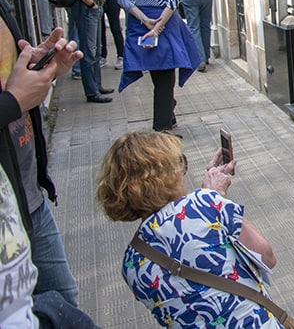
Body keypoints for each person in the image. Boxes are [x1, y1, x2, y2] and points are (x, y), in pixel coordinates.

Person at [96, 131, 283, 328]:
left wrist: (210, 198)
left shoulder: (130, 263)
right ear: (167, 174)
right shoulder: (204, 204)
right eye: (179, 163)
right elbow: (267, 258)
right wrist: (218, 198)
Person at [0, 0, 83, 309]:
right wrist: (13, 102)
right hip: (9, 205)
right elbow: (11, 98)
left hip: (27, 192)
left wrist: (38, 68)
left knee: (63, 304)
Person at [116, 0, 201, 133]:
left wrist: (143, 19)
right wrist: (158, 25)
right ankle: (162, 127)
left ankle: (168, 113)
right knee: (165, 74)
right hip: (166, 23)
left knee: (159, 75)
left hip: (138, 23)